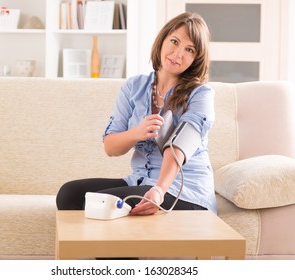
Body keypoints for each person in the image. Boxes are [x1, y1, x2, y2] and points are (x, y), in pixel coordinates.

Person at [56, 12, 217, 215]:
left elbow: (180, 146)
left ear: (196, 58)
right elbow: (110, 146)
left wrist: (159, 190)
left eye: (189, 50)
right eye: (174, 42)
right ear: (162, 40)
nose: (177, 54)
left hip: (183, 191)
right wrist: (137, 133)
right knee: (69, 194)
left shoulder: (201, 94)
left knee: (103, 203)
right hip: (140, 181)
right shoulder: (134, 86)